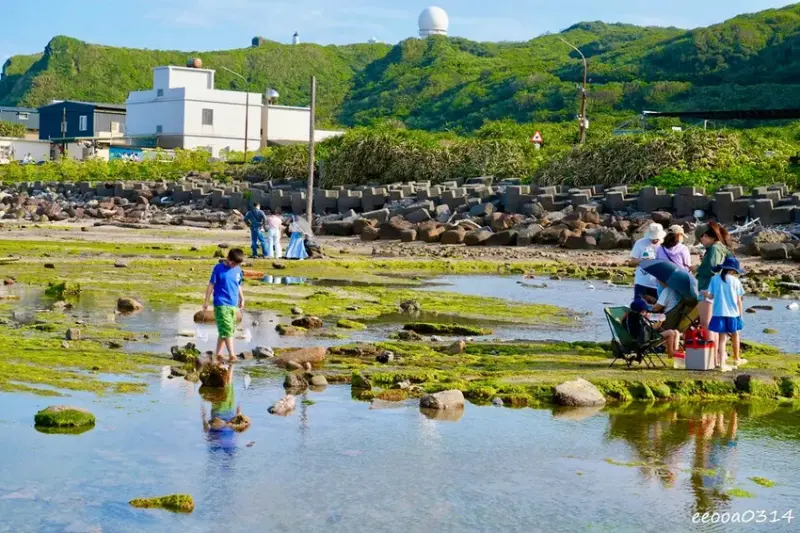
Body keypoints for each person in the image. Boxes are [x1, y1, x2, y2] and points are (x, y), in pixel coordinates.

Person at [701, 256, 746, 371]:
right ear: (732, 270)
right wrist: (741, 315)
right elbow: (739, 300)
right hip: (733, 313)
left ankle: (722, 363)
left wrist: (705, 294)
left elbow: (711, 296)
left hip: (719, 312)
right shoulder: (735, 281)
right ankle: (737, 358)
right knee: (735, 334)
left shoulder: (715, 279)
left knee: (722, 339)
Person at [203, 249, 245, 362]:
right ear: (228, 259)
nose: (235, 265)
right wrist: (206, 301)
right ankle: (232, 355)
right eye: (233, 263)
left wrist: (242, 298)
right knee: (227, 329)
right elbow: (211, 284)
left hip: (233, 304)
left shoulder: (238, 270)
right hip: (221, 303)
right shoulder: (218, 268)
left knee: (226, 330)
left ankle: (217, 354)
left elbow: (238, 285)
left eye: (237, 264)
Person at [694, 221, 734, 338]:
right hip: (716, 288)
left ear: (705, 236)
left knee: (706, 324)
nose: (701, 243)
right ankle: (714, 349)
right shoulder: (720, 247)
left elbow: (712, 269)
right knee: (713, 324)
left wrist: (698, 268)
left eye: (701, 240)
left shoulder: (714, 248)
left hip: (707, 288)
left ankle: (710, 348)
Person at [629, 223, 666, 303]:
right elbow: (631, 262)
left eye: (656, 238)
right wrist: (642, 261)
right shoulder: (640, 243)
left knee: (657, 308)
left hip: (658, 285)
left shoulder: (664, 245)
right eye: (652, 238)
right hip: (641, 283)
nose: (654, 240)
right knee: (638, 306)